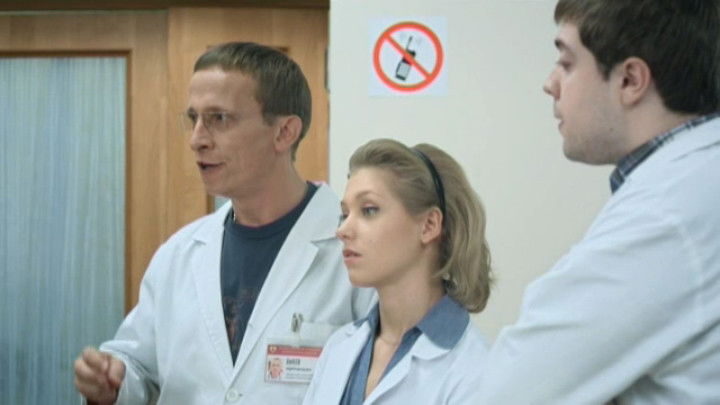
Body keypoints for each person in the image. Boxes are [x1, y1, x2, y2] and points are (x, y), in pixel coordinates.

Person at [73, 42, 374, 405]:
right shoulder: (179, 255)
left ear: (284, 132)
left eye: (219, 119)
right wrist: (114, 381)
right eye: (193, 119)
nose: (197, 139)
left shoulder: (357, 253)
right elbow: (138, 364)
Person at [476, 1, 720, 403]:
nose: (550, 83)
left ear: (630, 80)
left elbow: (506, 394)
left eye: (566, 63)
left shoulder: (666, 214)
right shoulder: (695, 181)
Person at [302, 139, 493, 404]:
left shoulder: (475, 370)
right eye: (345, 214)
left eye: (369, 210)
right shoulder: (339, 348)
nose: (342, 230)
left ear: (429, 225)